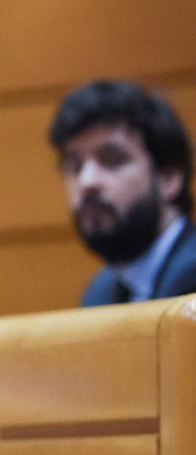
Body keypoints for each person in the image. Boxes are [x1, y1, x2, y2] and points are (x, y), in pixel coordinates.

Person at [48, 80, 196, 304]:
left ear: (168, 178)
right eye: (75, 166)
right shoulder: (99, 293)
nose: (87, 181)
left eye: (112, 160)